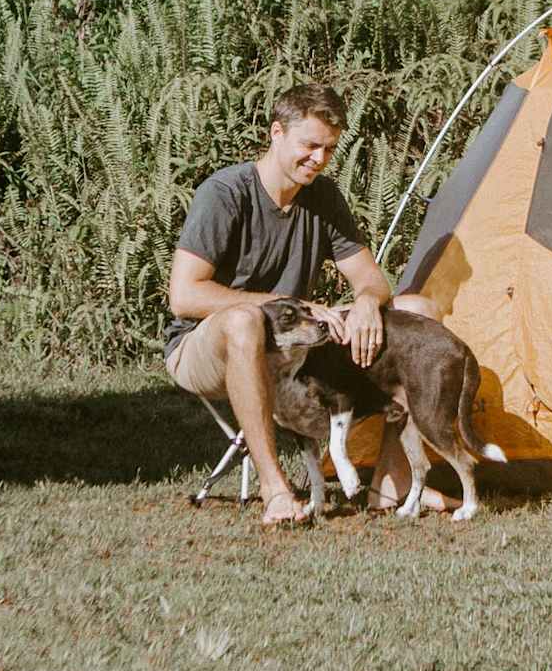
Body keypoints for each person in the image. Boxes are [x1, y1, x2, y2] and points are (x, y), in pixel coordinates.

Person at [164, 81, 392, 527]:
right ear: (276, 132)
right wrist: (292, 303)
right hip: (204, 347)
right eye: (310, 146)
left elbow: (371, 279)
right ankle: (275, 489)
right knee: (245, 321)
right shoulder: (226, 193)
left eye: (330, 149)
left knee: (417, 308)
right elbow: (184, 296)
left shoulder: (323, 197)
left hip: (293, 344)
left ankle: (393, 483)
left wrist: (367, 301)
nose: (319, 159)